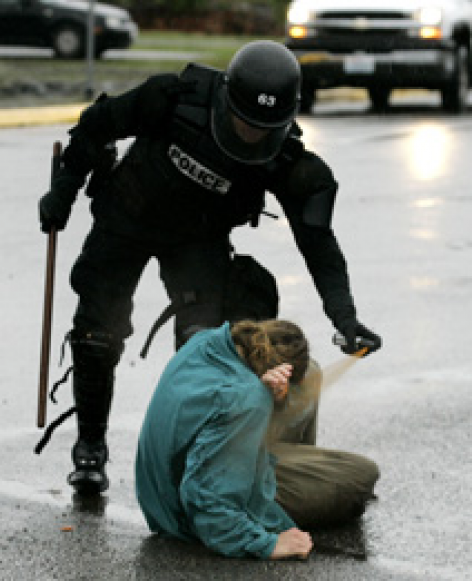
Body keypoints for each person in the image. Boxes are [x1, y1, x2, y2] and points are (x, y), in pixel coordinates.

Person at [37, 40, 381, 495]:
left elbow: (317, 242)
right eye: (243, 122)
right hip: (128, 215)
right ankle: (90, 448)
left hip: (196, 239)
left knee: (204, 346)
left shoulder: (285, 160)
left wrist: (345, 316)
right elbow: (96, 125)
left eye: (264, 127)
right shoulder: (174, 98)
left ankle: (192, 459)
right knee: (98, 332)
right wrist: (63, 191)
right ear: (226, 99)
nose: (251, 135)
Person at [135, 319, 379, 559]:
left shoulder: (209, 342)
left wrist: (275, 399)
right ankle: (285, 495)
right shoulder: (246, 399)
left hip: (162, 485)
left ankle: (290, 481)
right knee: (362, 475)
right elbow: (207, 499)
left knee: (311, 372)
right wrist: (266, 543)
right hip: (180, 511)